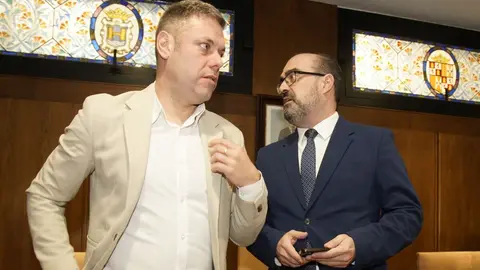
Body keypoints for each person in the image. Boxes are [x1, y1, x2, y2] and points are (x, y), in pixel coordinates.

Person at [25, 1, 267, 270]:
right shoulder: (104, 116)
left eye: (221, 52)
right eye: (205, 47)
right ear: (165, 45)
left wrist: (251, 184)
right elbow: (44, 196)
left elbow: (242, 235)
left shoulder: (228, 135)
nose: (217, 61)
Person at [247, 53, 422, 269]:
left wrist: (359, 245)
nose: (282, 87)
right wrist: (274, 245)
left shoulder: (374, 143)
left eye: (292, 77)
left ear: (326, 83)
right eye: (281, 80)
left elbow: (407, 214)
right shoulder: (268, 156)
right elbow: (250, 224)